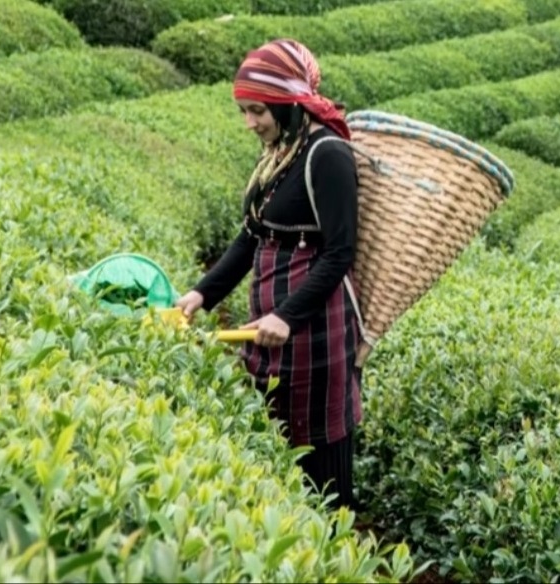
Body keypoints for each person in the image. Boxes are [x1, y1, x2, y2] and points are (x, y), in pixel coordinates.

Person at [175, 38, 365, 513]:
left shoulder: (327, 154)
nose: (250, 122)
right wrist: (202, 294)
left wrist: (288, 315)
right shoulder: (280, 150)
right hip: (269, 328)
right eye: (244, 110)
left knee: (322, 458)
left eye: (257, 110)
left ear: (287, 103)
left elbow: (341, 252)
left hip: (315, 331)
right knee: (278, 445)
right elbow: (249, 238)